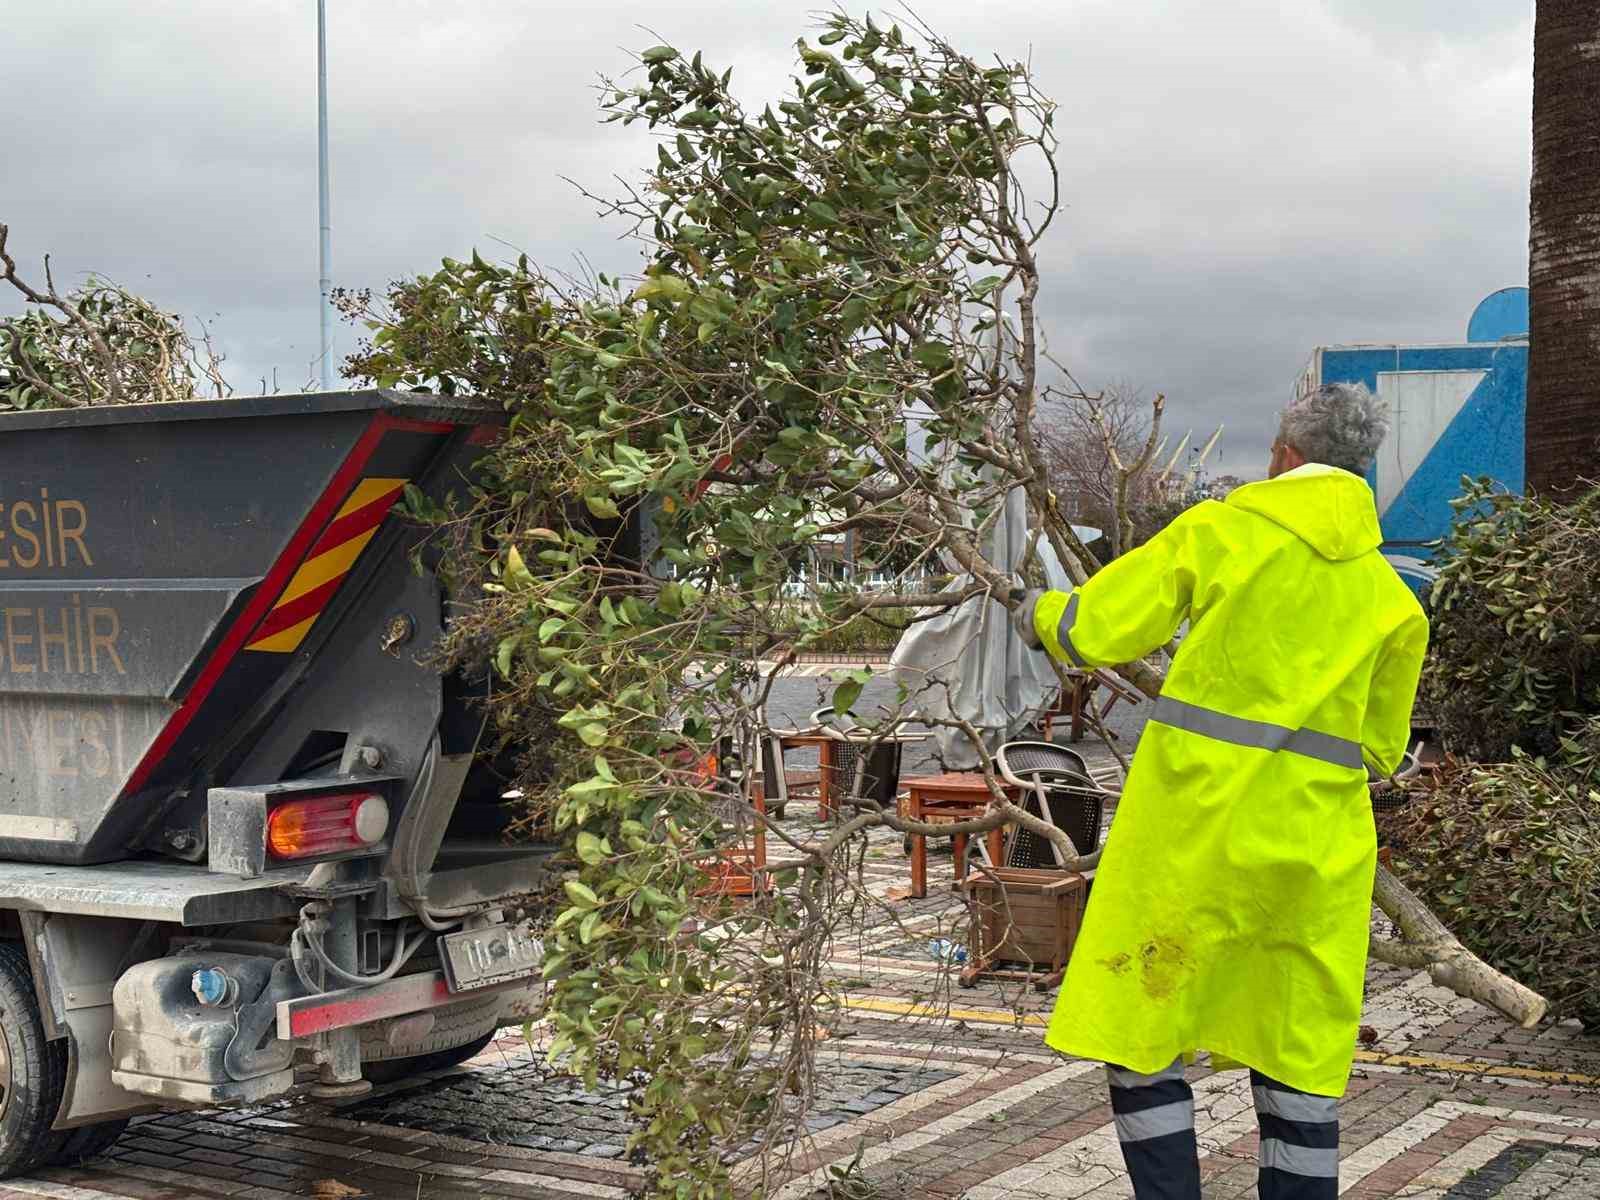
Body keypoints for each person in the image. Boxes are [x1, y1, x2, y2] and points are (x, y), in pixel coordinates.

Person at [1013, 382, 1427, 1199]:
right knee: (1294, 1045)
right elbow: (1380, 745)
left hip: (1192, 833)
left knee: (1144, 1028)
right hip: (1315, 851)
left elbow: (1100, 629)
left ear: (1283, 454)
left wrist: (1039, 613)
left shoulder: (1221, 530)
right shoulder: (1391, 595)